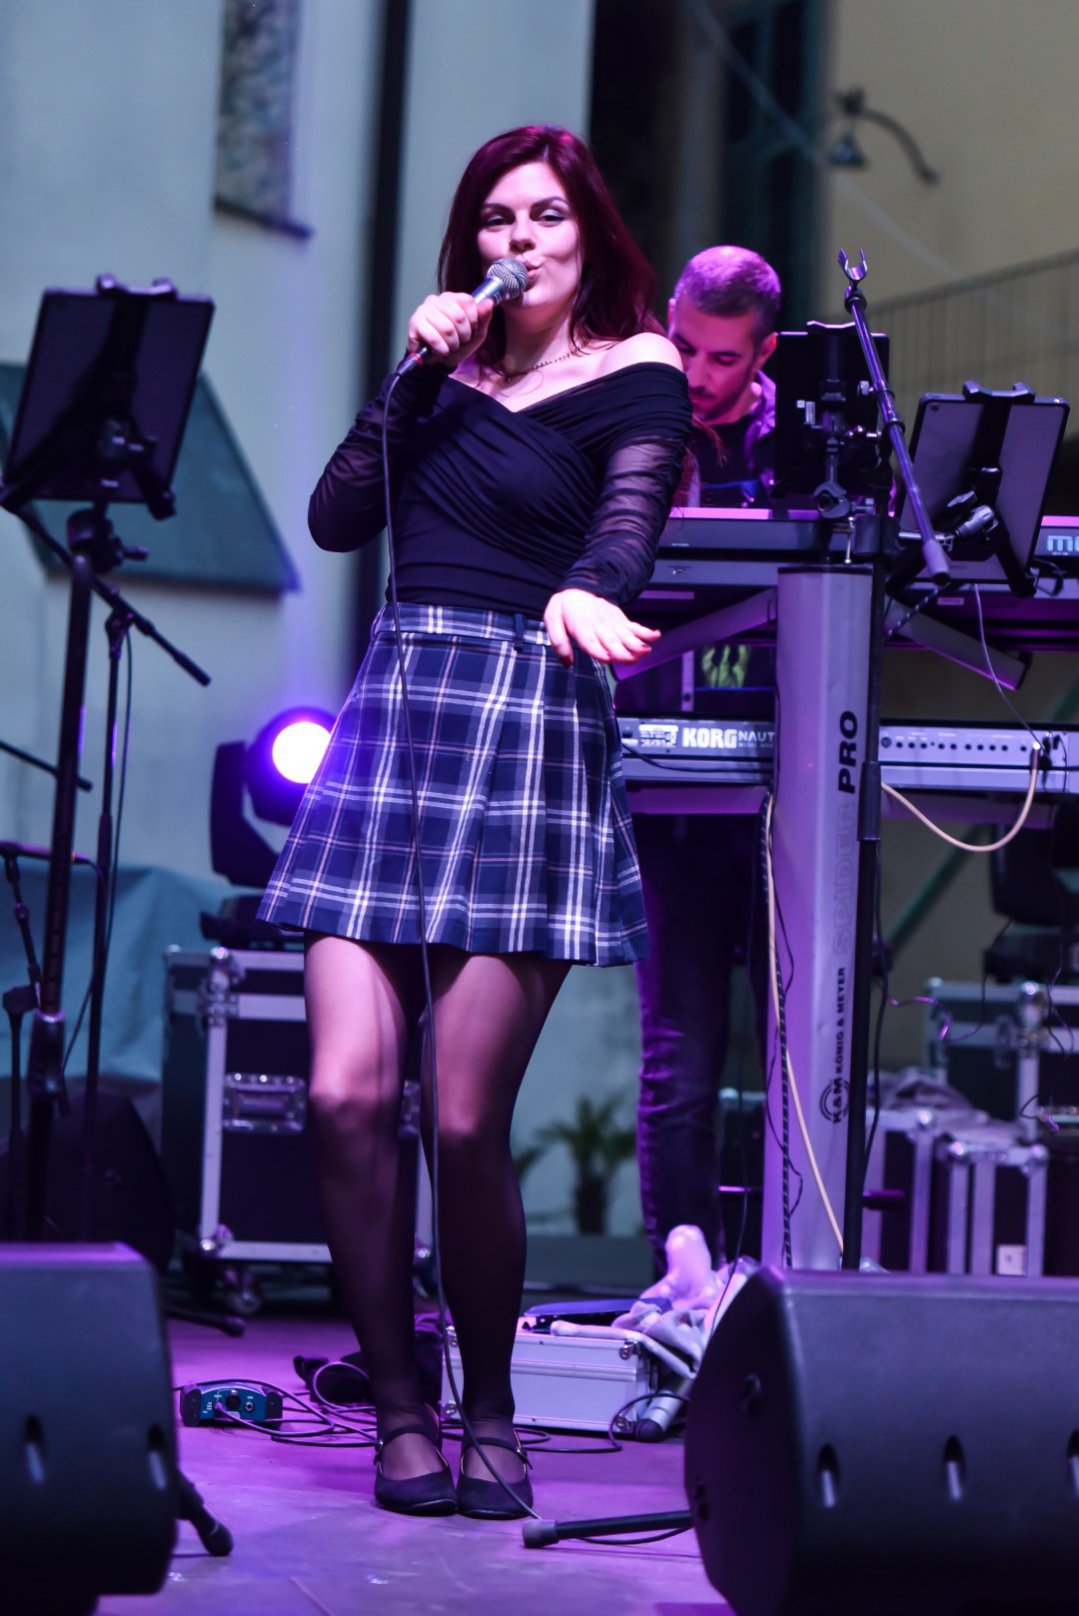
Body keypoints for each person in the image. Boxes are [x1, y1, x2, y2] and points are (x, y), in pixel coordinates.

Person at [258, 125, 690, 1519]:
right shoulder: (439, 374)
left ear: (588, 234)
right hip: (397, 719)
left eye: (546, 215)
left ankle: (488, 1406)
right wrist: (412, 371)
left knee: (457, 1116)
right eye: (498, 218)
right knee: (341, 1095)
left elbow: (628, 521)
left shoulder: (637, 367)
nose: (520, 240)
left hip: (525, 720)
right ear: (472, 242)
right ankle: (397, 1411)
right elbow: (338, 518)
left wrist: (588, 588)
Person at [618, 246, 781, 1277]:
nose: (696, 372)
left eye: (722, 357)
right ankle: (679, 1283)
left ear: (763, 353)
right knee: (678, 1063)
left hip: (786, 800)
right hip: (668, 799)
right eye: (682, 345)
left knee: (805, 1054)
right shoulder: (637, 422)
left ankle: (787, 1279)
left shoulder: (807, 442)